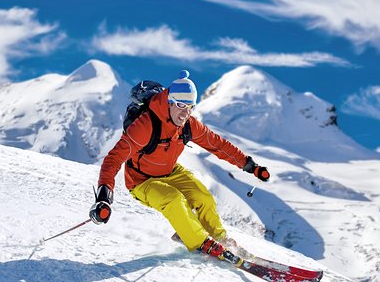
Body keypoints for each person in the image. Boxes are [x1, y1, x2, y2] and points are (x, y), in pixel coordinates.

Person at [90, 70, 270, 258]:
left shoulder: (188, 124)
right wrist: (103, 196)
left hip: (170, 172)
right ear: (169, 101)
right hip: (141, 180)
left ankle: (220, 239)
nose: (185, 113)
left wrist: (251, 166)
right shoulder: (145, 126)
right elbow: (113, 159)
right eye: (180, 105)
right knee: (173, 199)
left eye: (190, 107)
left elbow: (218, 145)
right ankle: (201, 243)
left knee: (203, 197)